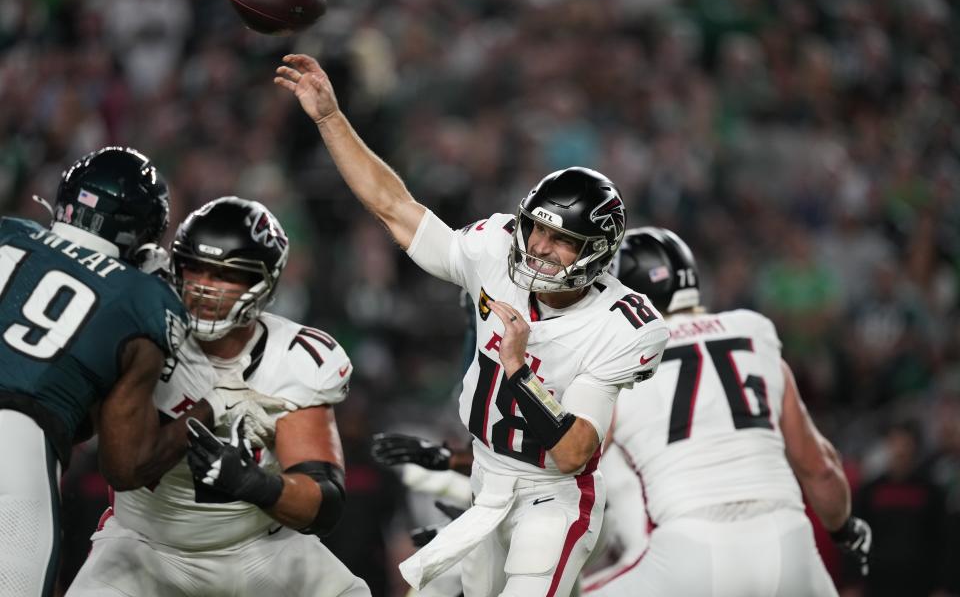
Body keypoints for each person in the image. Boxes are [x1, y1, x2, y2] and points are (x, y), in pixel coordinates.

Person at [275, 54, 670, 597]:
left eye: (560, 241)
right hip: (485, 480)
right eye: (536, 230)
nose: (538, 247)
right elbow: (394, 206)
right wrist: (330, 119)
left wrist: (518, 370)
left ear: (597, 253)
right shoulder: (494, 247)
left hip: (552, 497)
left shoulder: (623, 324)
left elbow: (575, 452)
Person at [66, 197, 370, 597]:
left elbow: (323, 504)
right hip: (144, 547)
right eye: (196, 269)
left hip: (259, 548)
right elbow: (118, 463)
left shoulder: (293, 359)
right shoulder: (141, 334)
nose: (205, 288)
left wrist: (253, 483)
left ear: (263, 284)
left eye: (225, 275)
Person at [580, 227, 872, 596]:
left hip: (693, 550)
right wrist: (844, 529)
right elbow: (821, 469)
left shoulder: (616, 361)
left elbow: (572, 464)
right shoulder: (753, 333)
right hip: (788, 543)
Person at [0, 146, 225, 597]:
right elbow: (126, 464)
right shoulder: (142, 299)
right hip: (15, 445)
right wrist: (214, 407)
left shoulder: (8, 233)